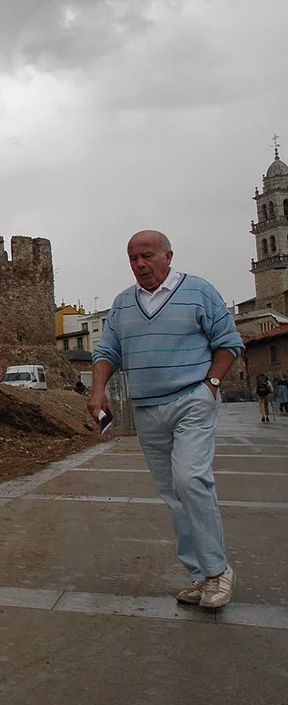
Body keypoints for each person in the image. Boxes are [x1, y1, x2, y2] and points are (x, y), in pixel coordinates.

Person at [88, 230, 244, 609]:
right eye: (133, 259)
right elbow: (108, 349)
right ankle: (201, 576)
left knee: (191, 480)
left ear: (168, 256)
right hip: (147, 410)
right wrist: (97, 391)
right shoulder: (123, 304)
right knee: (174, 495)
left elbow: (229, 342)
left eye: (147, 256)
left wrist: (210, 385)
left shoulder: (199, 292)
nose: (140, 265)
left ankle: (219, 570)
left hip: (192, 399)